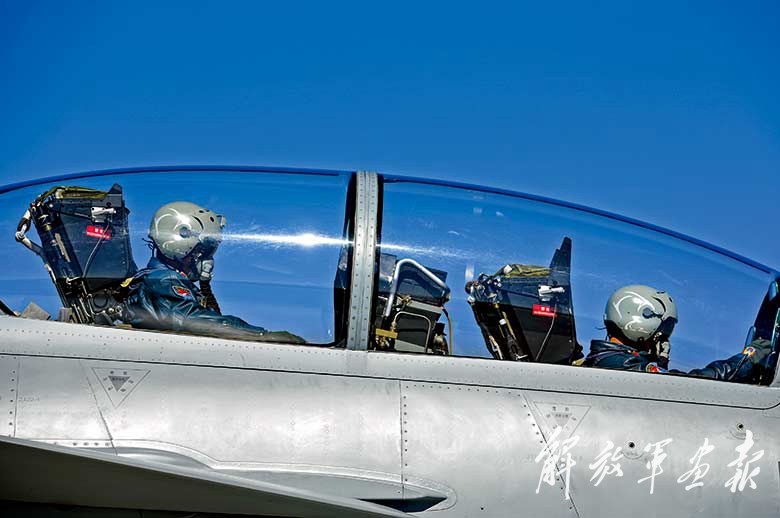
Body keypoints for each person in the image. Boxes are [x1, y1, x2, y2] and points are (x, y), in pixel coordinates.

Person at [121, 201, 304, 343]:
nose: (206, 259)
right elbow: (192, 320)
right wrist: (262, 336)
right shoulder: (164, 280)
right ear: (180, 243)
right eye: (202, 251)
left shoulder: (163, 280)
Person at [583, 284, 772, 383]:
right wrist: (745, 361)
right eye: (662, 331)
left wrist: (657, 361)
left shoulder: (607, 360)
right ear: (639, 321)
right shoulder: (619, 364)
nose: (663, 340)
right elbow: (691, 385)